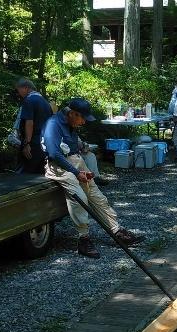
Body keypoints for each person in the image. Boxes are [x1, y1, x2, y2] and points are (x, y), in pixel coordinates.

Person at [41, 98, 143, 258]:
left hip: (75, 161)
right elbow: (54, 153)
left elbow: (71, 145)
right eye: (82, 118)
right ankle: (84, 239)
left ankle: (116, 230)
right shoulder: (53, 124)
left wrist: (82, 156)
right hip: (58, 167)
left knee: (96, 195)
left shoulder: (70, 122)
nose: (83, 122)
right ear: (73, 113)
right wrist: (76, 173)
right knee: (79, 198)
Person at [15, 78, 53, 174]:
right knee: (39, 174)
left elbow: (29, 122)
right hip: (44, 143)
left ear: (26, 88)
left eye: (18, 89)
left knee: (24, 174)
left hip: (33, 144)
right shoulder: (45, 102)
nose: (18, 93)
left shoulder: (29, 100)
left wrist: (27, 143)